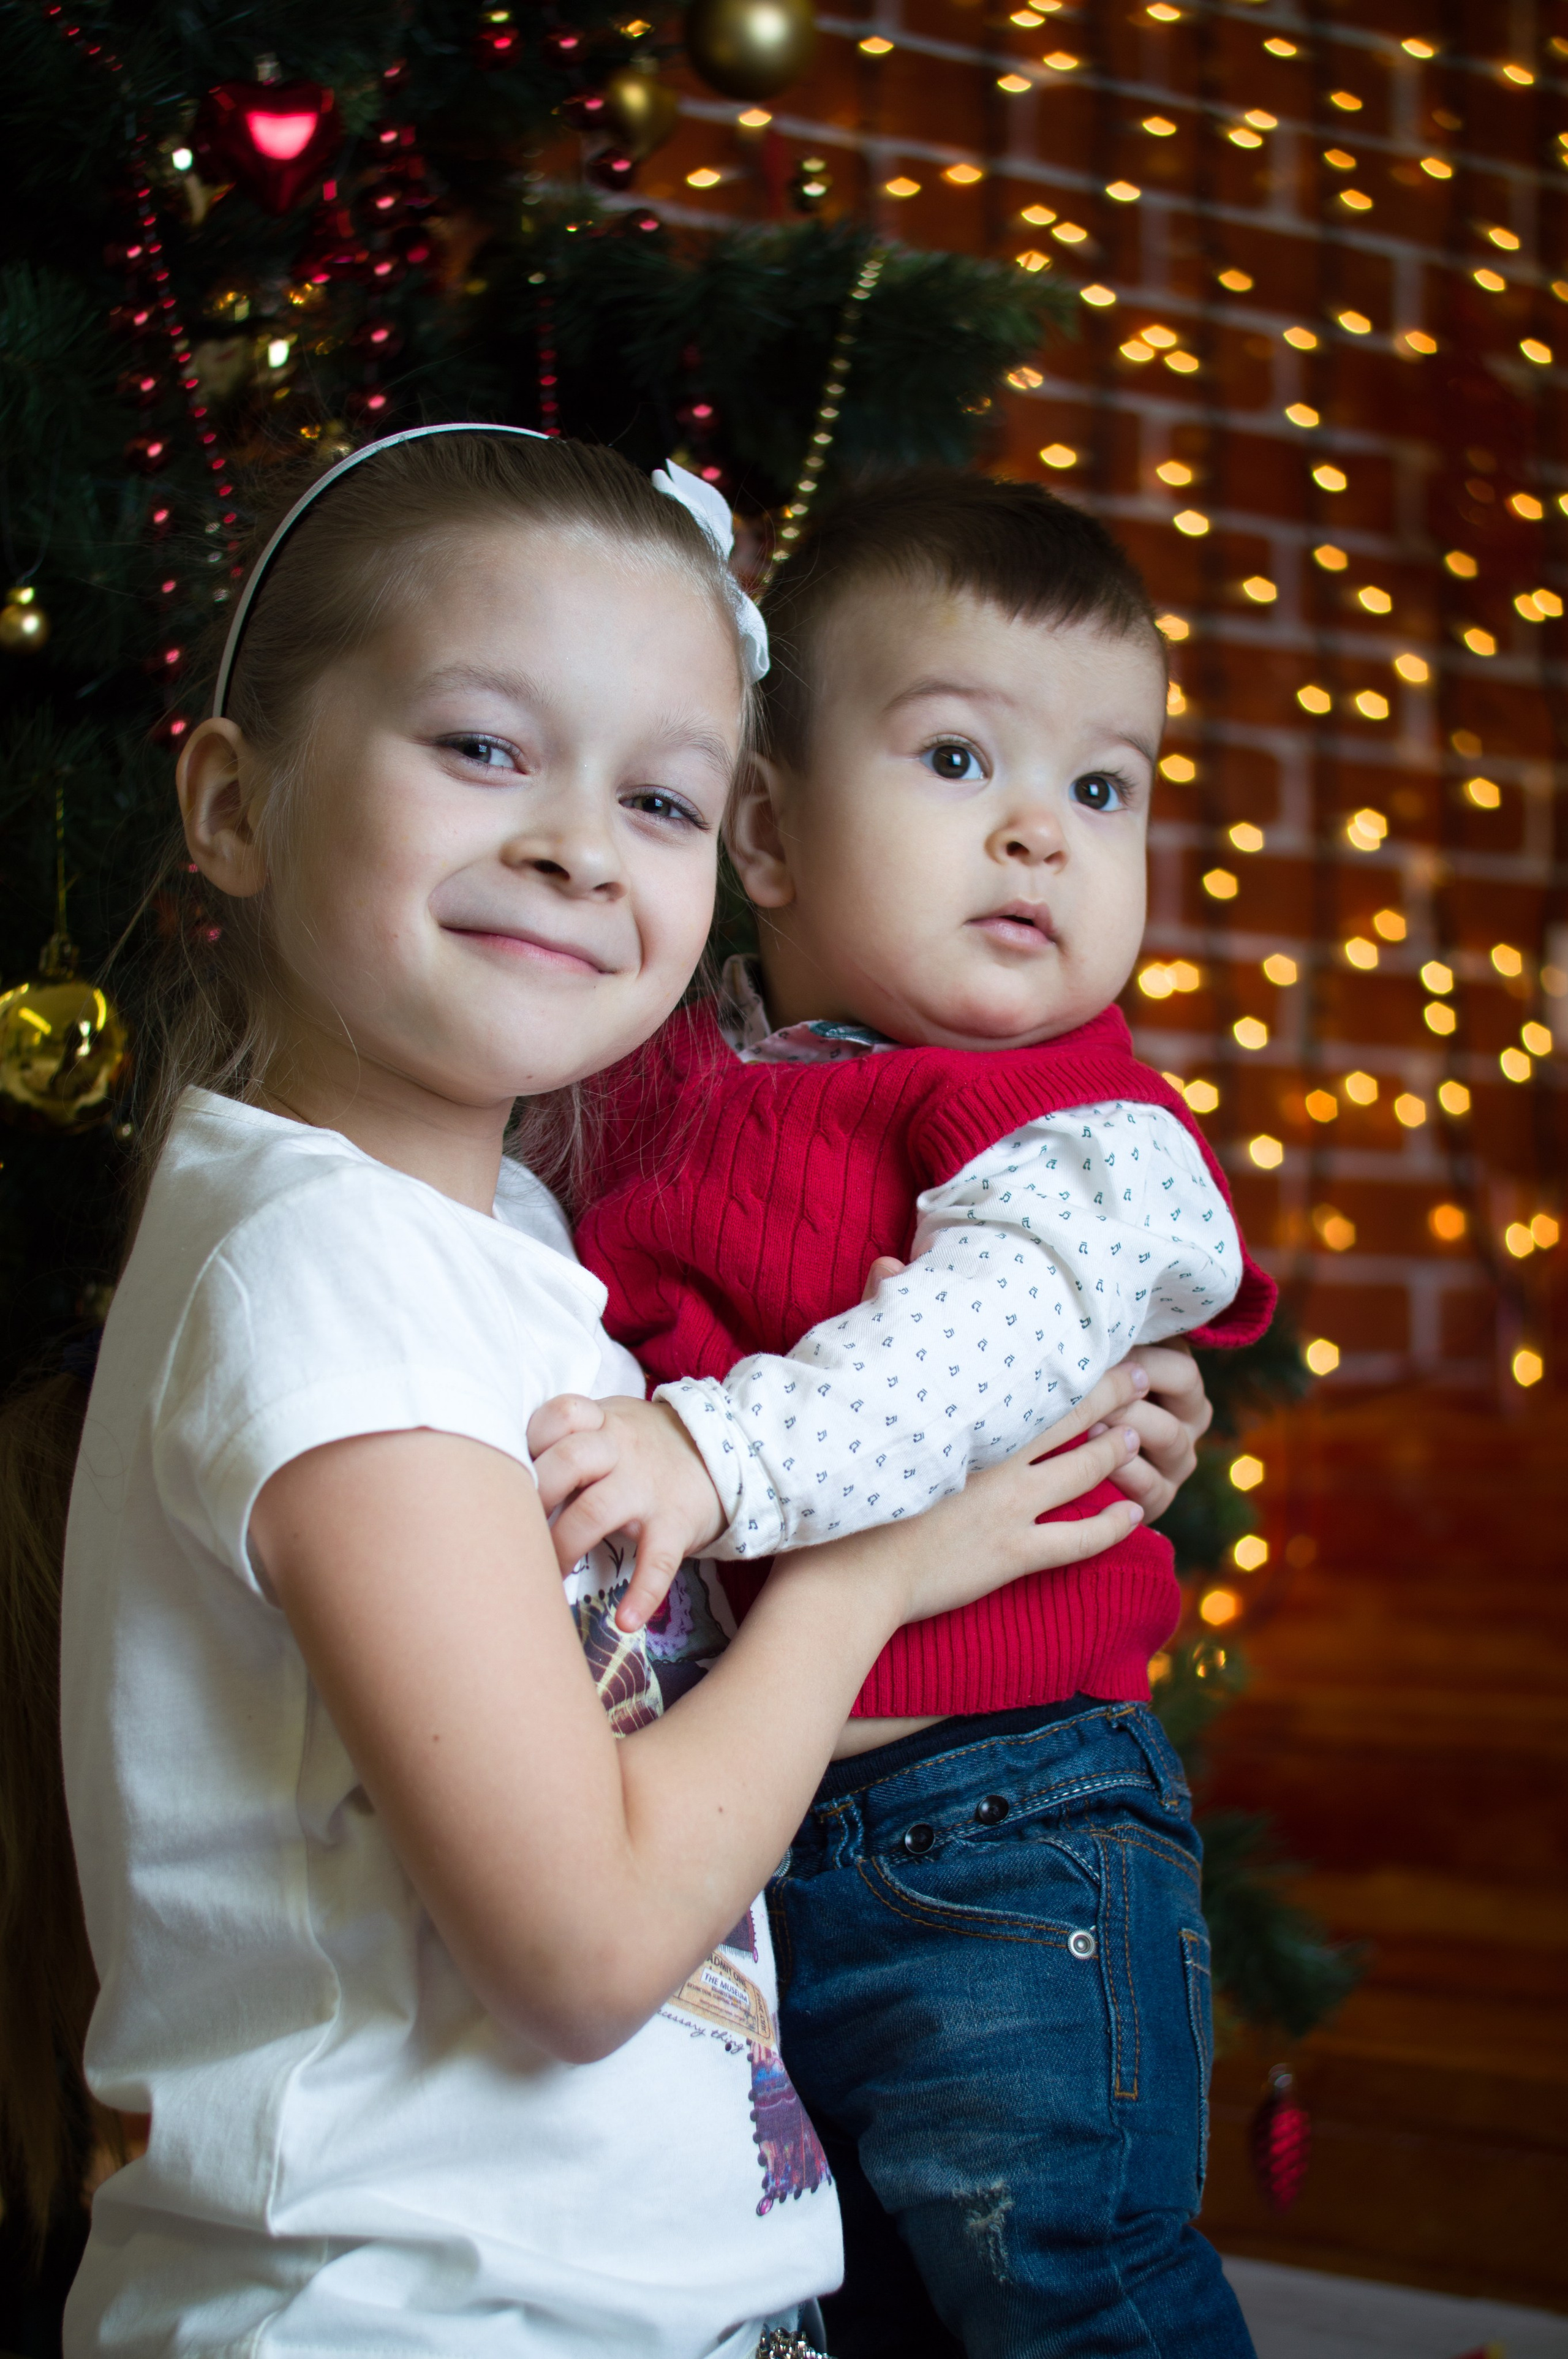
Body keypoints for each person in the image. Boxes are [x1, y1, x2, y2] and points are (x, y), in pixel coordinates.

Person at [0, 427, 1182, 2359]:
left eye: (659, 796)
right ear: (229, 804)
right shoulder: (334, 1281)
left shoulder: (514, 1241)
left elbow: (644, 1691)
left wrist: (1047, 1431)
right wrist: (881, 1566)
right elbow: (582, 1946)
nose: (578, 842)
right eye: (484, 746)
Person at [537, 471, 1275, 2355]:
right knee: (847, 2305)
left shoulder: (1073, 1122)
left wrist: (715, 1454)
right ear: (769, 833)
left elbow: (980, 1341)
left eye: (1103, 789)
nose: (1040, 830)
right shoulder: (656, 1078)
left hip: (1008, 1820)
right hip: (751, 1822)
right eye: (959, 759)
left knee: (1063, 2284)